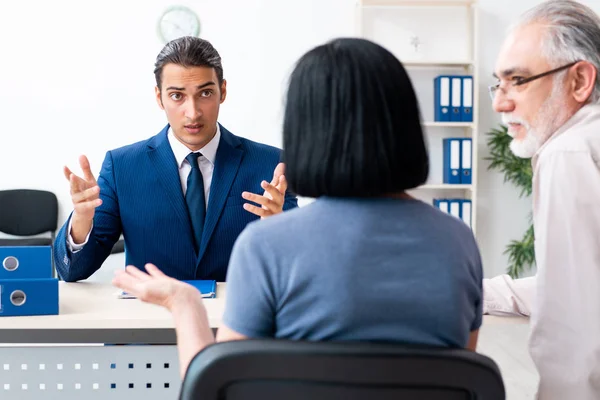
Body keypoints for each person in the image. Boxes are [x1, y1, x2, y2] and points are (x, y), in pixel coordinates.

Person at [113, 37, 483, 377]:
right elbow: (460, 380)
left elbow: (217, 386)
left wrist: (184, 302)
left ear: (305, 130)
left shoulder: (268, 244)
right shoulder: (459, 241)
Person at [54, 37, 298, 282]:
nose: (193, 112)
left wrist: (279, 228)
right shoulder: (122, 167)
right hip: (152, 316)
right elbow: (73, 271)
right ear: (159, 97)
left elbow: (297, 266)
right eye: (177, 96)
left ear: (222, 91)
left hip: (238, 315)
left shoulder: (271, 164)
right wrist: (82, 220)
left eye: (205, 93)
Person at [484, 1, 600, 398]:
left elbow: (575, 330)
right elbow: (580, 282)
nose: (501, 102)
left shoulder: (568, 153)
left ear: (579, 81)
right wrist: (472, 291)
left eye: (518, 79)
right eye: (498, 82)